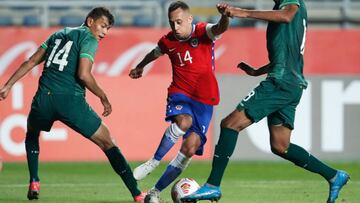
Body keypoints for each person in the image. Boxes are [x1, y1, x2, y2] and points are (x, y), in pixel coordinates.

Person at [182, 1, 350, 203]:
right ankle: (334, 176)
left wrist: (241, 12)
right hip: (291, 83)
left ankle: (212, 186)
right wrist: (257, 71)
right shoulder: (284, 7)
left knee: (229, 124)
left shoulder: (289, 5)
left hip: (280, 82)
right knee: (281, 145)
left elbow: (287, 15)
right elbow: (288, 54)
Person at [0, 7, 145, 202]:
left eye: (108, 29)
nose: (104, 32)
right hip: (70, 101)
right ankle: (137, 194)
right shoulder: (89, 38)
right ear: (90, 21)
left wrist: (8, 86)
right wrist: (102, 96)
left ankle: (34, 180)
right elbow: (84, 75)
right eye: (102, 26)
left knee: (32, 134)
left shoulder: (58, 34)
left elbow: (31, 60)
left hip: (43, 98)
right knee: (108, 142)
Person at [129, 1, 229, 202]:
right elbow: (155, 52)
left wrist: (225, 16)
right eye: (171, 23)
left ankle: (154, 192)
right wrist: (140, 66)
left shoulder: (202, 31)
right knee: (183, 122)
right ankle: (153, 162)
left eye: (179, 22)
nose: (175, 27)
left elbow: (220, 28)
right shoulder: (168, 41)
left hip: (205, 100)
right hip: (180, 92)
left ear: (189, 19)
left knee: (189, 149)